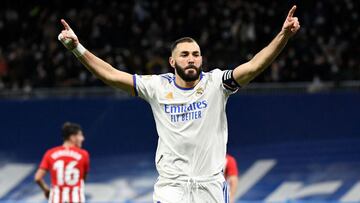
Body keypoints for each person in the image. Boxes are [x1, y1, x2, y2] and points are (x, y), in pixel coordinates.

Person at [58, 5, 300, 203]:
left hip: (211, 187)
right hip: (172, 187)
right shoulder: (156, 87)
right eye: (184, 55)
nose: (191, 59)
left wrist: (284, 36)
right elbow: (111, 74)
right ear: (172, 61)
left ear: (202, 59)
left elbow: (255, 65)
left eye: (195, 54)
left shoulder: (217, 83)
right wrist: (77, 48)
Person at [34, 122, 90, 203]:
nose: (83, 138)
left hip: (56, 199)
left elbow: (37, 178)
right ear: (72, 137)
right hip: (76, 199)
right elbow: (83, 179)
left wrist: (46, 190)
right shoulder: (83, 154)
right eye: (80, 135)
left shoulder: (50, 153)